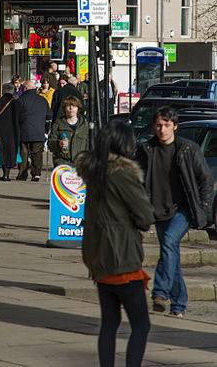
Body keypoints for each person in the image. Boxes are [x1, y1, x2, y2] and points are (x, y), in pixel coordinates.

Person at [77, 121, 154, 367]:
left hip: (99, 257)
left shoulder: (95, 173)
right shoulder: (121, 174)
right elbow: (144, 216)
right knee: (141, 324)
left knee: (109, 323)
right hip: (122, 257)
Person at [137, 106, 213, 317]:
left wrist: (204, 208)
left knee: (170, 242)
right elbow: (137, 179)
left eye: (167, 125)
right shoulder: (146, 150)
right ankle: (179, 305)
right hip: (158, 210)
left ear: (175, 127)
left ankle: (160, 293)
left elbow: (205, 178)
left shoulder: (188, 149)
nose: (162, 130)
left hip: (183, 209)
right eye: (159, 125)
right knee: (171, 256)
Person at [17, 81, 49, 182]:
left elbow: (17, 116)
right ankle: (36, 174)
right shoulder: (42, 100)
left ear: (25, 88)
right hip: (38, 131)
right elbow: (49, 115)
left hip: (24, 131)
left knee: (23, 153)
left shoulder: (21, 100)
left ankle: (22, 174)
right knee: (37, 154)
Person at [0, 83, 21, 181]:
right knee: (11, 150)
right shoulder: (17, 103)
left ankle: (4, 174)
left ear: (3, 90)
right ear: (12, 90)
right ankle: (7, 174)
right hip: (14, 131)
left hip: (0, 130)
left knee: (2, 150)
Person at [48, 96, 89, 166]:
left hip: (81, 164)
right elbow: (50, 145)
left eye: (74, 106)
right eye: (68, 106)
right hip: (63, 164)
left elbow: (90, 146)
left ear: (78, 108)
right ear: (64, 108)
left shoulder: (85, 126)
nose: (71, 108)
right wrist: (58, 144)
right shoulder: (57, 125)